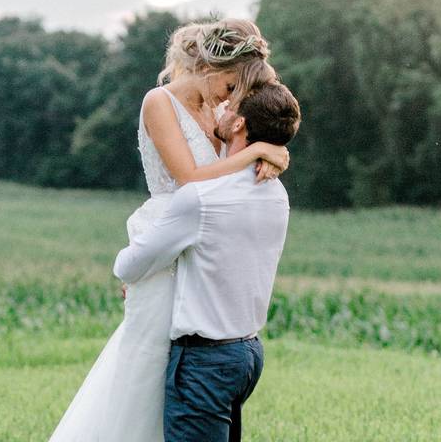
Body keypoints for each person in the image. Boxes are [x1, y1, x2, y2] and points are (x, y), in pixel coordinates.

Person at [48, 19, 289, 442]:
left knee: (194, 369)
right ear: (210, 68)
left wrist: (272, 154)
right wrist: (254, 152)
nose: (231, 100)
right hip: (168, 237)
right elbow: (191, 177)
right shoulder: (158, 102)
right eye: (231, 87)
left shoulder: (219, 110)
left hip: (199, 245)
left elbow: (262, 114)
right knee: (148, 367)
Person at [114, 81, 301, 441]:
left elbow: (130, 267)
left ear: (239, 125)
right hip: (246, 353)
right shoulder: (276, 193)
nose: (222, 109)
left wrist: (135, 244)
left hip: (204, 361)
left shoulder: (201, 198)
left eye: (231, 106)